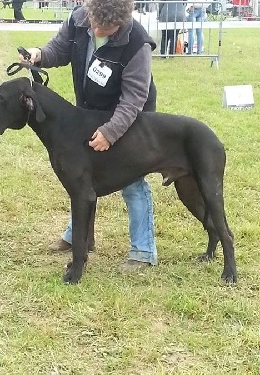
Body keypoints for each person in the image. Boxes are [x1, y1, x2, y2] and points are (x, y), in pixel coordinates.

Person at [20, 0, 158, 270]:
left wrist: (110, 132)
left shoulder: (137, 43)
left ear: (122, 21)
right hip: (90, 112)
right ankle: (79, 239)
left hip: (129, 117)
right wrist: (39, 54)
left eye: (106, 28)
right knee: (79, 174)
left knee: (131, 181)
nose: (97, 29)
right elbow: (60, 49)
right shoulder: (80, 19)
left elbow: (133, 101)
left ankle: (143, 251)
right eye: (95, 23)